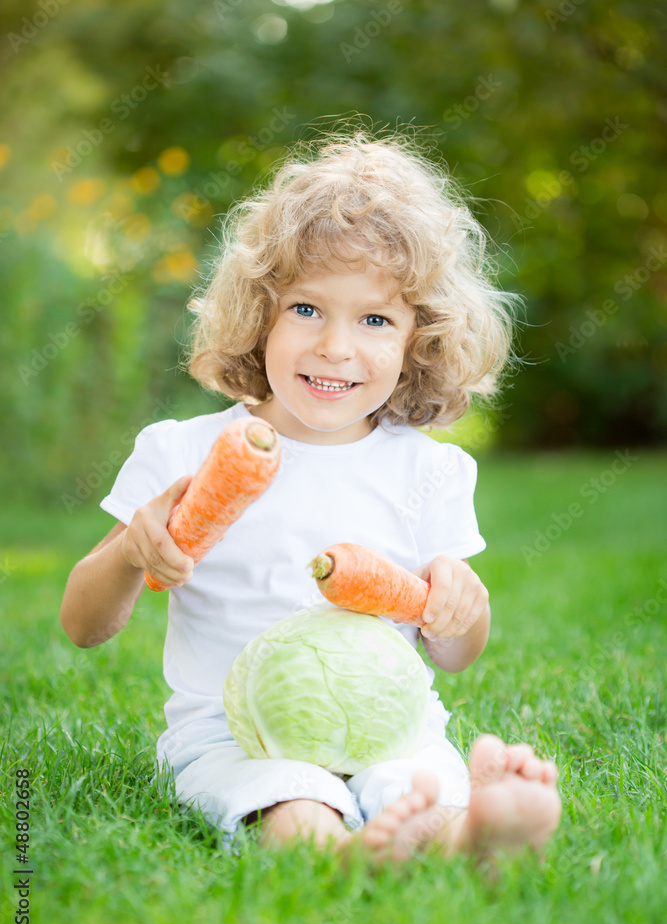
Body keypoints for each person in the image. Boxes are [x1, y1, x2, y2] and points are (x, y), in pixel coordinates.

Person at [60, 129, 561, 866]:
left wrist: (461, 605)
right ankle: (342, 854)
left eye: (375, 319)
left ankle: (473, 834)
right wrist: (134, 551)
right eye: (305, 310)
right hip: (238, 733)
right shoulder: (181, 453)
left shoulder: (430, 472)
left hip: (390, 725)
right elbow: (82, 625)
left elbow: (453, 655)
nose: (334, 346)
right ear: (258, 313)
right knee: (292, 804)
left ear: (419, 339)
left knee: (415, 785)